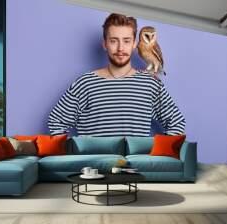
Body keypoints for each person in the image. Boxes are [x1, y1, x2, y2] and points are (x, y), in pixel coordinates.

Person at [48, 13, 185, 137]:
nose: (120, 48)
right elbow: (56, 121)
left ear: (134, 45)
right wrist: (72, 158)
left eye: (126, 41)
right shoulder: (85, 83)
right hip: (95, 165)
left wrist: (156, 158)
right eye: (114, 41)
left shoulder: (150, 84)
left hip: (136, 166)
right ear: (105, 44)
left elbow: (177, 122)